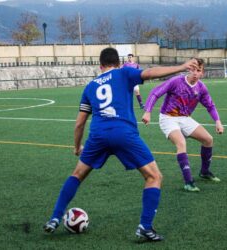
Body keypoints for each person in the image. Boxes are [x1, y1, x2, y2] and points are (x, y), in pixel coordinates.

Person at [43, 47, 198, 241]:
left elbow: (79, 123)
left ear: (100, 66)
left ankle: (54, 218)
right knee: (154, 176)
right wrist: (181, 67)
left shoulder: (90, 86)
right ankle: (145, 227)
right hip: (123, 133)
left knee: (77, 174)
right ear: (118, 63)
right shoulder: (124, 72)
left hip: (98, 135)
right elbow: (149, 73)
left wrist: (76, 147)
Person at [142, 58, 224, 192]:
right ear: (188, 69)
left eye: (198, 70)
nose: (195, 73)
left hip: (185, 119)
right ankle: (188, 182)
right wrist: (148, 112)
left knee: (208, 139)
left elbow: (210, 105)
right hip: (168, 118)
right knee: (181, 143)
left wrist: (218, 121)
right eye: (193, 69)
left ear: (202, 73)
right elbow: (155, 93)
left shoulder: (201, 87)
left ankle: (204, 172)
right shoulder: (176, 81)